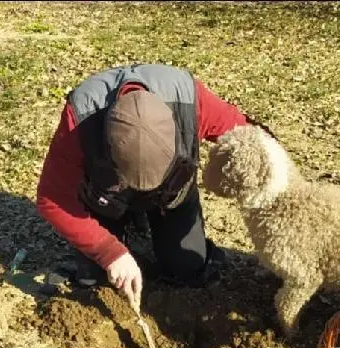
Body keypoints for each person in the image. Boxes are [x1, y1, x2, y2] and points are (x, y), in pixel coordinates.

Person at [36, 63, 250, 306]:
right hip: (106, 199)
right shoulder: (81, 118)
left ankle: (157, 230)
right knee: (95, 280)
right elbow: (51, 199)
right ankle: (125, 227)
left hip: (171, 197)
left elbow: (252, 140)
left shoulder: (190, 100)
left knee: (188, 268)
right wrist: (109, 252)